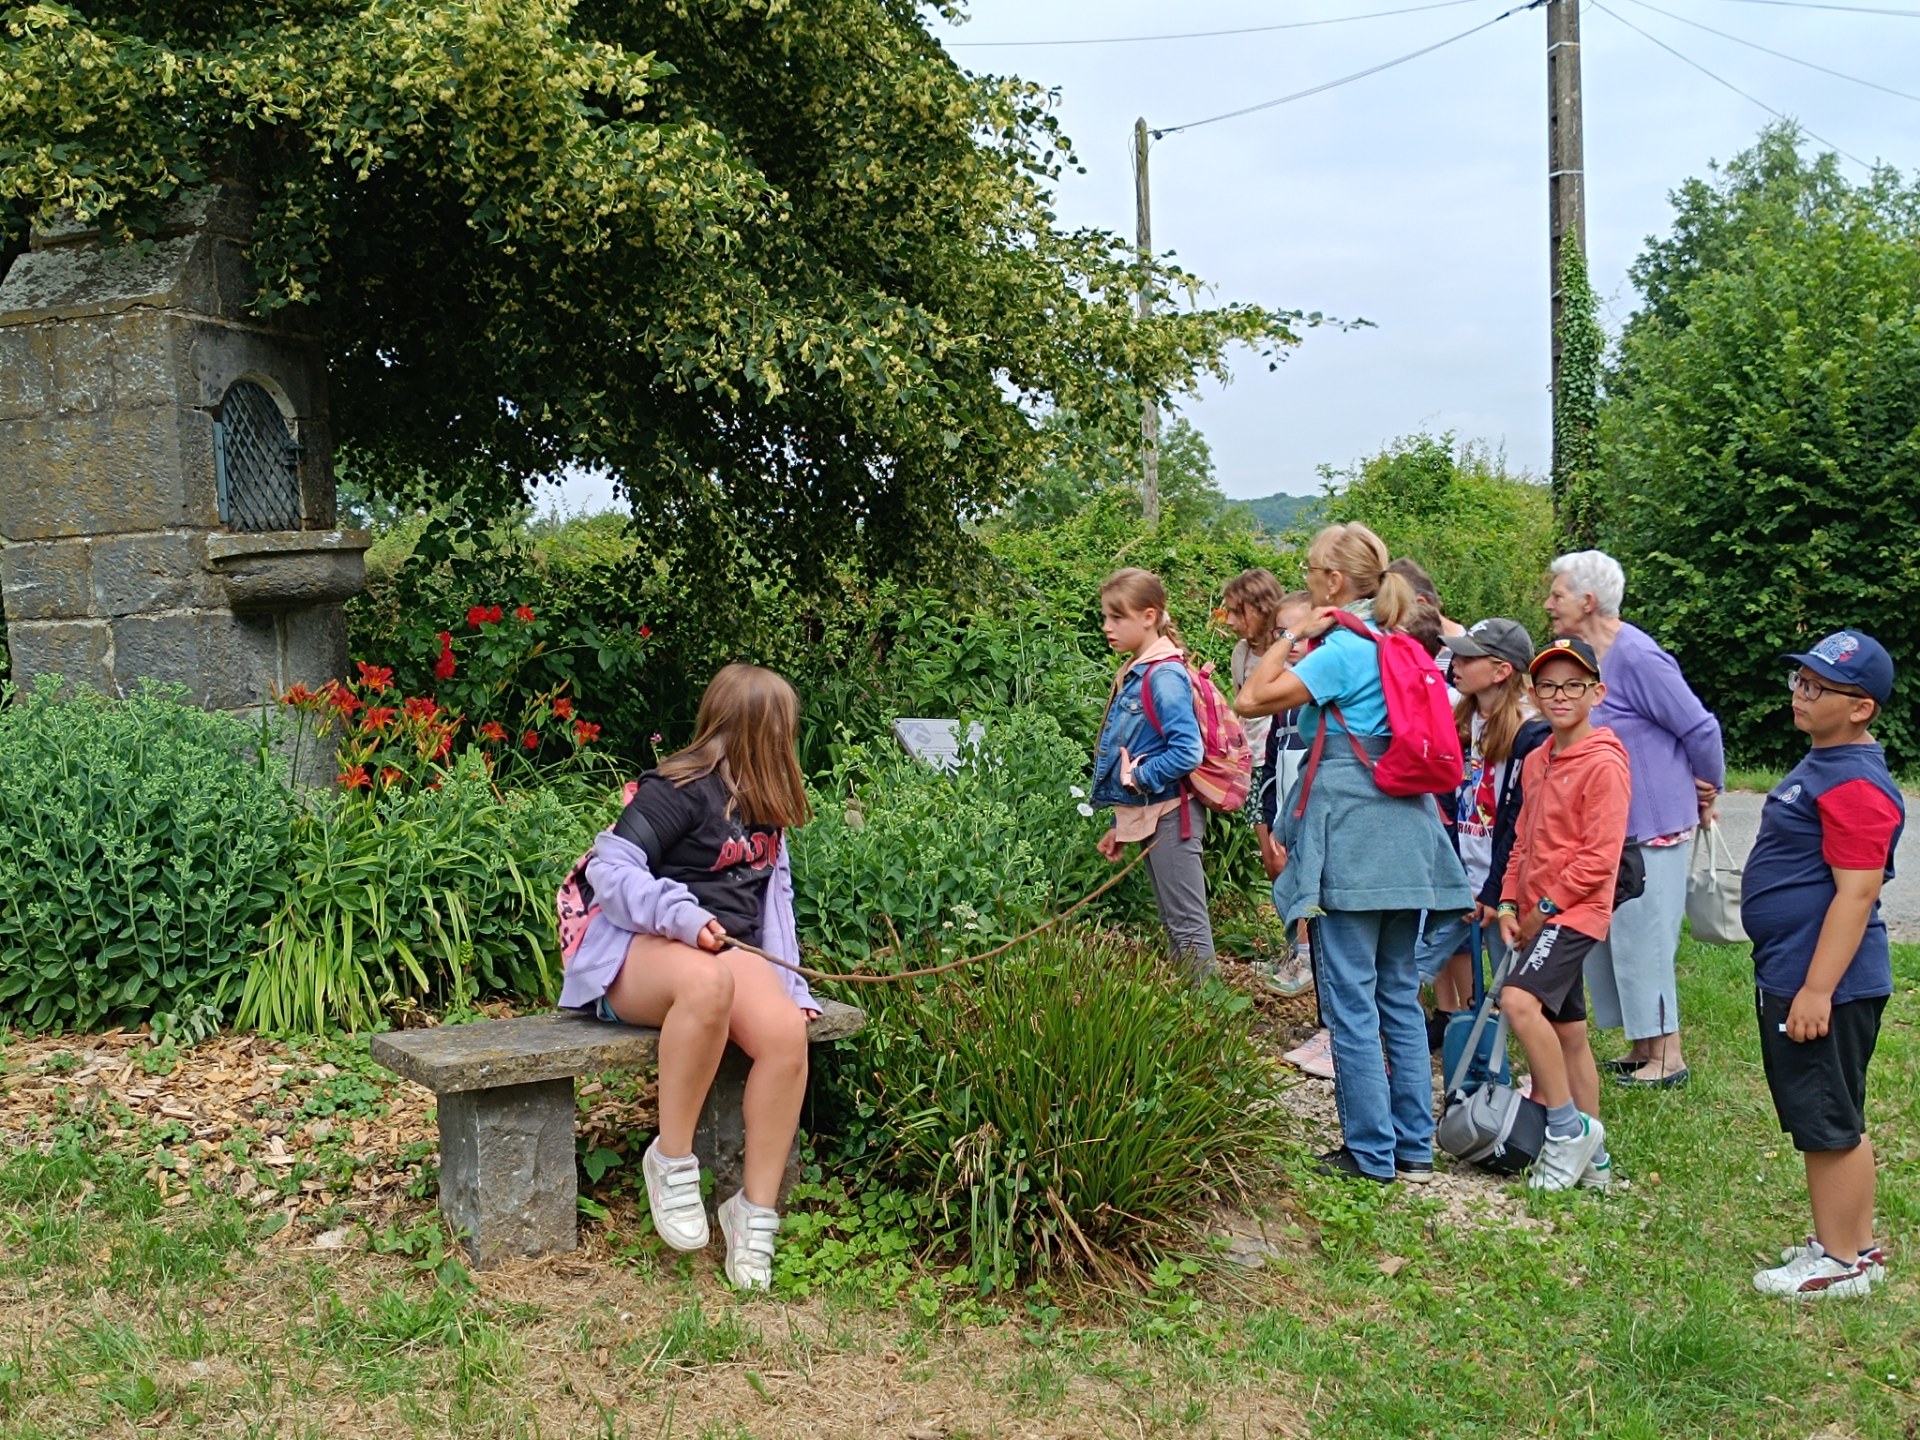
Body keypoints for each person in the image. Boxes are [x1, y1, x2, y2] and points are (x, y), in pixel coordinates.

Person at [558, 664, 819, 1290]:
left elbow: (770, 903)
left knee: (786, 1035)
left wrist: (793, 985)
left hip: (726, 956)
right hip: (636, 953)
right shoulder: (677, 790)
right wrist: (680, 916)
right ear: (760, 732)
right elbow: (610, 871)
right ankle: (670, 1158)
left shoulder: (764, 805)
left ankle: (753, 1212)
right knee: (708, 984)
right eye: (784, 731)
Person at [1237, 524, 1472, 1183]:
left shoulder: (1343, 649)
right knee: (1398, 992)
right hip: (1412, 838)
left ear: (1334, 583)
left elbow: (1251, 698)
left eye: (1311, 571)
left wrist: (1290, 634)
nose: (1306, 580)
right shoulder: (1401, 640)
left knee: (1350, 998)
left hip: (1355, 838)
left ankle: (1370, 1154)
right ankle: (1413, 1149)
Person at [1743, 632, 1903, 1299]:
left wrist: (1816, 989)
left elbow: (1857, 890)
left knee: (1825, 1120)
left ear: (1860, 706)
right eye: (1799, 682)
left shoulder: (1857, 784)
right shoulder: (1826, 765)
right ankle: (1854, 1245)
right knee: (1837, 1112)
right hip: (1798, 970)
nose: (1800, 695)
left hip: (1823, 983)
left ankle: (1837, 1265)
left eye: (1817, 687)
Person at [1545, 550, 1724, 1088]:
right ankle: (1643, 1045)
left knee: (1646, 934)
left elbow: (1699, 727)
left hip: (1653, 820)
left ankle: (1668, 1056)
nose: (1548, 603)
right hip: (1611, 823)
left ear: (1587, 600)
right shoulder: (1587, 655)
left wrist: (1708, 787)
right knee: (1616, 934)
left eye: (1556, 594)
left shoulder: (1639, 656)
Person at [1498, 638, 1630, 1190]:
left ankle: (1564, 1131)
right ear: (1532, 692)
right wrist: (1509, 901)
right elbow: (1524, 841)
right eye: (1547, 685)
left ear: (1595, 692)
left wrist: (1542, 911)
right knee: (1568, 1031)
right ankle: (1595, 1162)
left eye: (1573, 685)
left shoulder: (1604, 763)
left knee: (1518, 1001)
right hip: (1533, 912)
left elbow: (1600, 859)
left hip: (1573, 915)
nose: (1559, 695)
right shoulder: (1535, 759)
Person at [1420, 618, 1550, 1041]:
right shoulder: (1465, 719)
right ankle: (1478, 1050)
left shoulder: (1531, 733)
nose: (1454, 663)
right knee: (1432, 963)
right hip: (1466, 870)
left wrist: (1496, 890)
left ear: (1501, 671)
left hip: (1507, 883)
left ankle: (1531, 1075)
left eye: (1467, 657)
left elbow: (1520, 820)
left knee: (1515, 986)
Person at [1092, 567, 1216, 977]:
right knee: (1174, 924)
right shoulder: (1140, 668)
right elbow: (1141, 748)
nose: (1107, 627)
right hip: (1155, 815)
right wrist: (1120, 824)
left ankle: (1210, 1024)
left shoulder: (1163, 676)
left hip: (1172, 817)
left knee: (1187, 927)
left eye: (1117, 617)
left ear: (1148, 616)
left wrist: (1139, 778)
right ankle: (1194, 1018)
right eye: (1106, 617)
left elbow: (1186, 752)